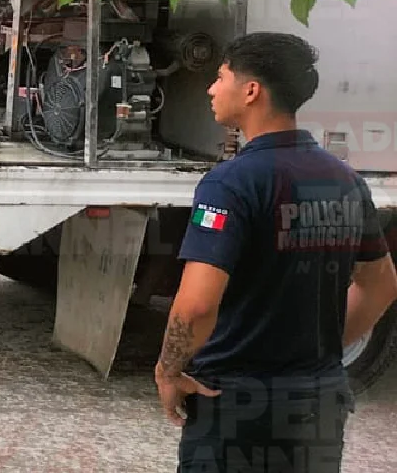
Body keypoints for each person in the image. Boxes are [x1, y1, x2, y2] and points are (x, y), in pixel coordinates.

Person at [158, 32, 397, 473]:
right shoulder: (346, 180)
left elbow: (195, 307)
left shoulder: (231, 183)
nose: (211, 88)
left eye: (220, 76)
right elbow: (381, 284)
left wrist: (168, 372)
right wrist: (318, 351)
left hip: (237, 408)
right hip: (319, 404)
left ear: (251, 91)